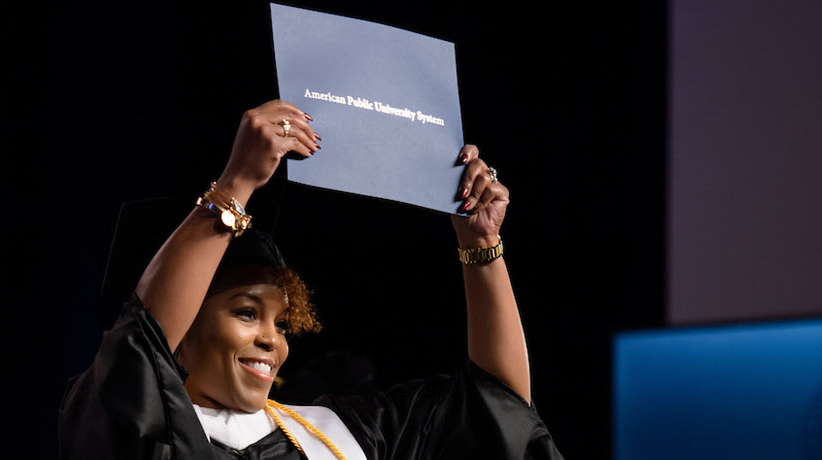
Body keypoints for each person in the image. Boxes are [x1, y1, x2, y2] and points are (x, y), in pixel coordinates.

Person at [58, 100, 564, 459]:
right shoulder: (122, 426)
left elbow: (497, 405)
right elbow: (140, 345)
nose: (271, 341)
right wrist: (237, 184)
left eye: (282, 324)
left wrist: (481, 247)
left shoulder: (339, 436)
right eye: (247, 312)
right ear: (182, 332)